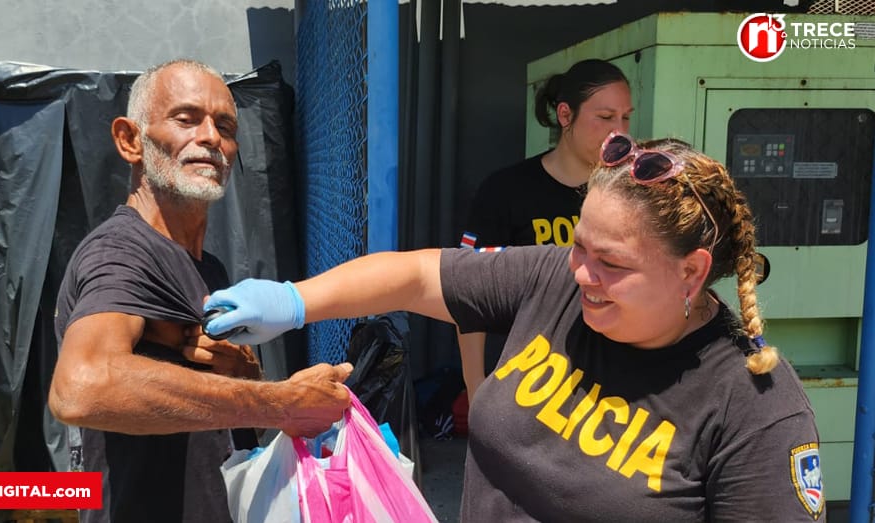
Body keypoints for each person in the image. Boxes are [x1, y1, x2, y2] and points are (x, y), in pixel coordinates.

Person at [205, 134, 825, 521]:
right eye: (581, 245)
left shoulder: (754, 404)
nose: (582, 273)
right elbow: (418, 275)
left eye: (612, 263)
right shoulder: (554, 282)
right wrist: (293, 301)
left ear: (692, 272)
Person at [47, 59, 352, 523]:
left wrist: (244, 375)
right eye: (186, 119)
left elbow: (202, 402)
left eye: (225, 125)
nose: (211, 137)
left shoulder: (206, 265)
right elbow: (82, 387)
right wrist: (282, 403)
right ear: (131, 141)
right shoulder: (122, 252)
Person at [458, 59, 633, 399]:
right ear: (565, 115)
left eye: (625, 117)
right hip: (525, 383)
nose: (619, 131)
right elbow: (466, 290)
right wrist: (475, 382)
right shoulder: (506, 190)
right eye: (606, 117)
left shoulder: (630, 193)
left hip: (611, 385)